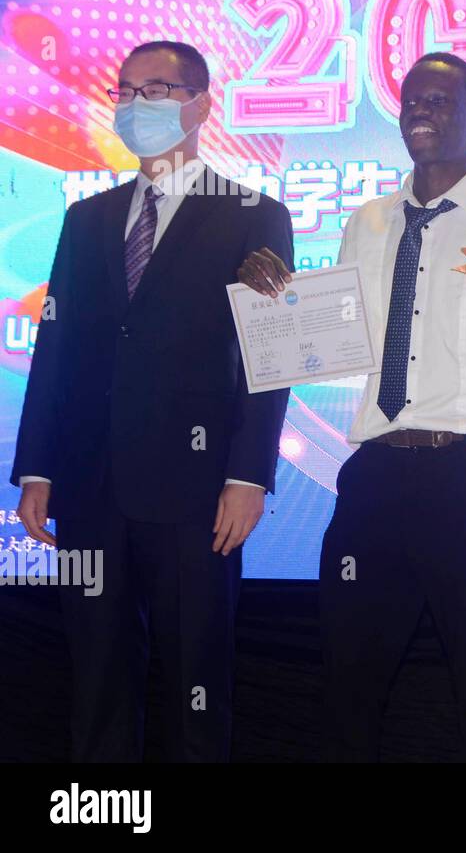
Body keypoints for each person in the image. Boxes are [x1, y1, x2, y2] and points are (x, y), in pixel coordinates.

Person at [237, 52, 466, 762]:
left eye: (440, 101)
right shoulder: (367, 222)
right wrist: (271, 302)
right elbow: (334, 347)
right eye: (411, 101)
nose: (421, 112)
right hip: (374, 474)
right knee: (348, 679)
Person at [12, 40, 294, 761]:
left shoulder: (252, 215)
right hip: (91, 484)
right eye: (128, 90)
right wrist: (38, 466)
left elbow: (273, 355)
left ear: (201, 105)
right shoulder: (89, 220)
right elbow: (58, 346)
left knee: (197, 678)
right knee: (98, 675)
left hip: (197, 489)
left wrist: (248, 475)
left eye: (159, 90)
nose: (139, 105)